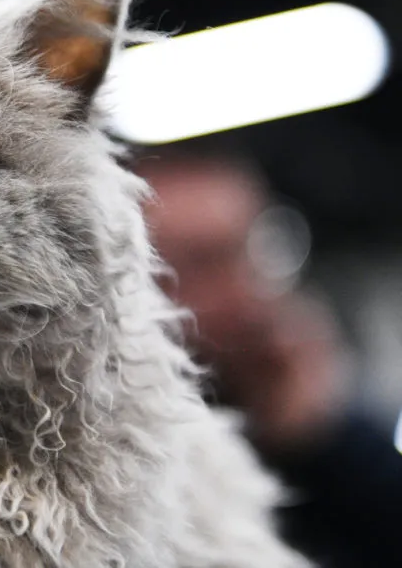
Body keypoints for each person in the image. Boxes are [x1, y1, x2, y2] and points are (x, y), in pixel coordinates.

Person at [136, 146, 402, 568]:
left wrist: (320, 437)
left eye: (253, 248)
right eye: (202, 264)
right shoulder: (132, 470)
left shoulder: (298, 403)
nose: (247, 287)